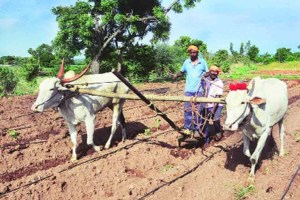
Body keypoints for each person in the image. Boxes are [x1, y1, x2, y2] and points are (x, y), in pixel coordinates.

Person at [173, 45, 208, 136]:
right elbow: (182, 72)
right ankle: (188, 128)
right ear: (189, 53)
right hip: (188, 90)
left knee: (198, 111)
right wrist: (177, 75)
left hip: (199, 90)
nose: (192, 54)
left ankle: (197, 129)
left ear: (197, 53)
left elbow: (207, 72)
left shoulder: (202, 62)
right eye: (191, 52)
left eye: (194, 52)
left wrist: (204, 76)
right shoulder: (186, 62)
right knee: (188, 110)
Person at [202, 65, 224, 144]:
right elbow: (200, 82)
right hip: (206, 103)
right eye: (213, 71)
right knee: (205, 121)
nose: (214, 73)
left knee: (215, 119)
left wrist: (213, 110)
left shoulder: (219, 82)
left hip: (216, 104)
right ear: (209, 72)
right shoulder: (206, 80)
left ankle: (218, 131)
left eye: (216, 72)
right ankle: (206, 138)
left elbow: (218, 97)